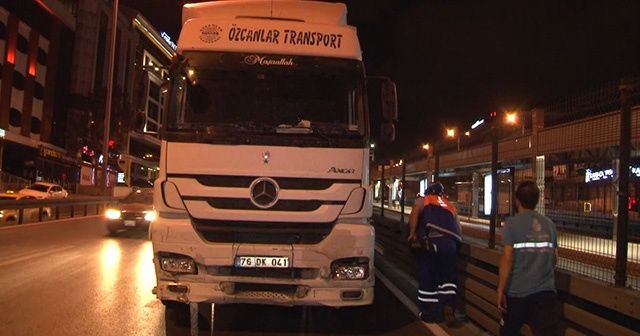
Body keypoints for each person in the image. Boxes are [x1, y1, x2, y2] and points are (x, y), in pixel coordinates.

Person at [497, 180, 558, 335]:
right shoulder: (550, 225)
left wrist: (500, 289)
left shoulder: (511, 224)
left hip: (518, 293)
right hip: (545, 292)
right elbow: (553, 258)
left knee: (508, 331)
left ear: (517, 200)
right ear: (536, 201)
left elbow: (508, 258)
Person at [407, 182, 463, 325]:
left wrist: (412, 233)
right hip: (450, 244)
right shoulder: (449, 205)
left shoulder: (424, 200)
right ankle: (448, 305)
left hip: (431, 242)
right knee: (447, 277)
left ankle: (429, 314)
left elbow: (414, 214)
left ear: (428, 192)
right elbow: (458, 228)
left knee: (427, 275)